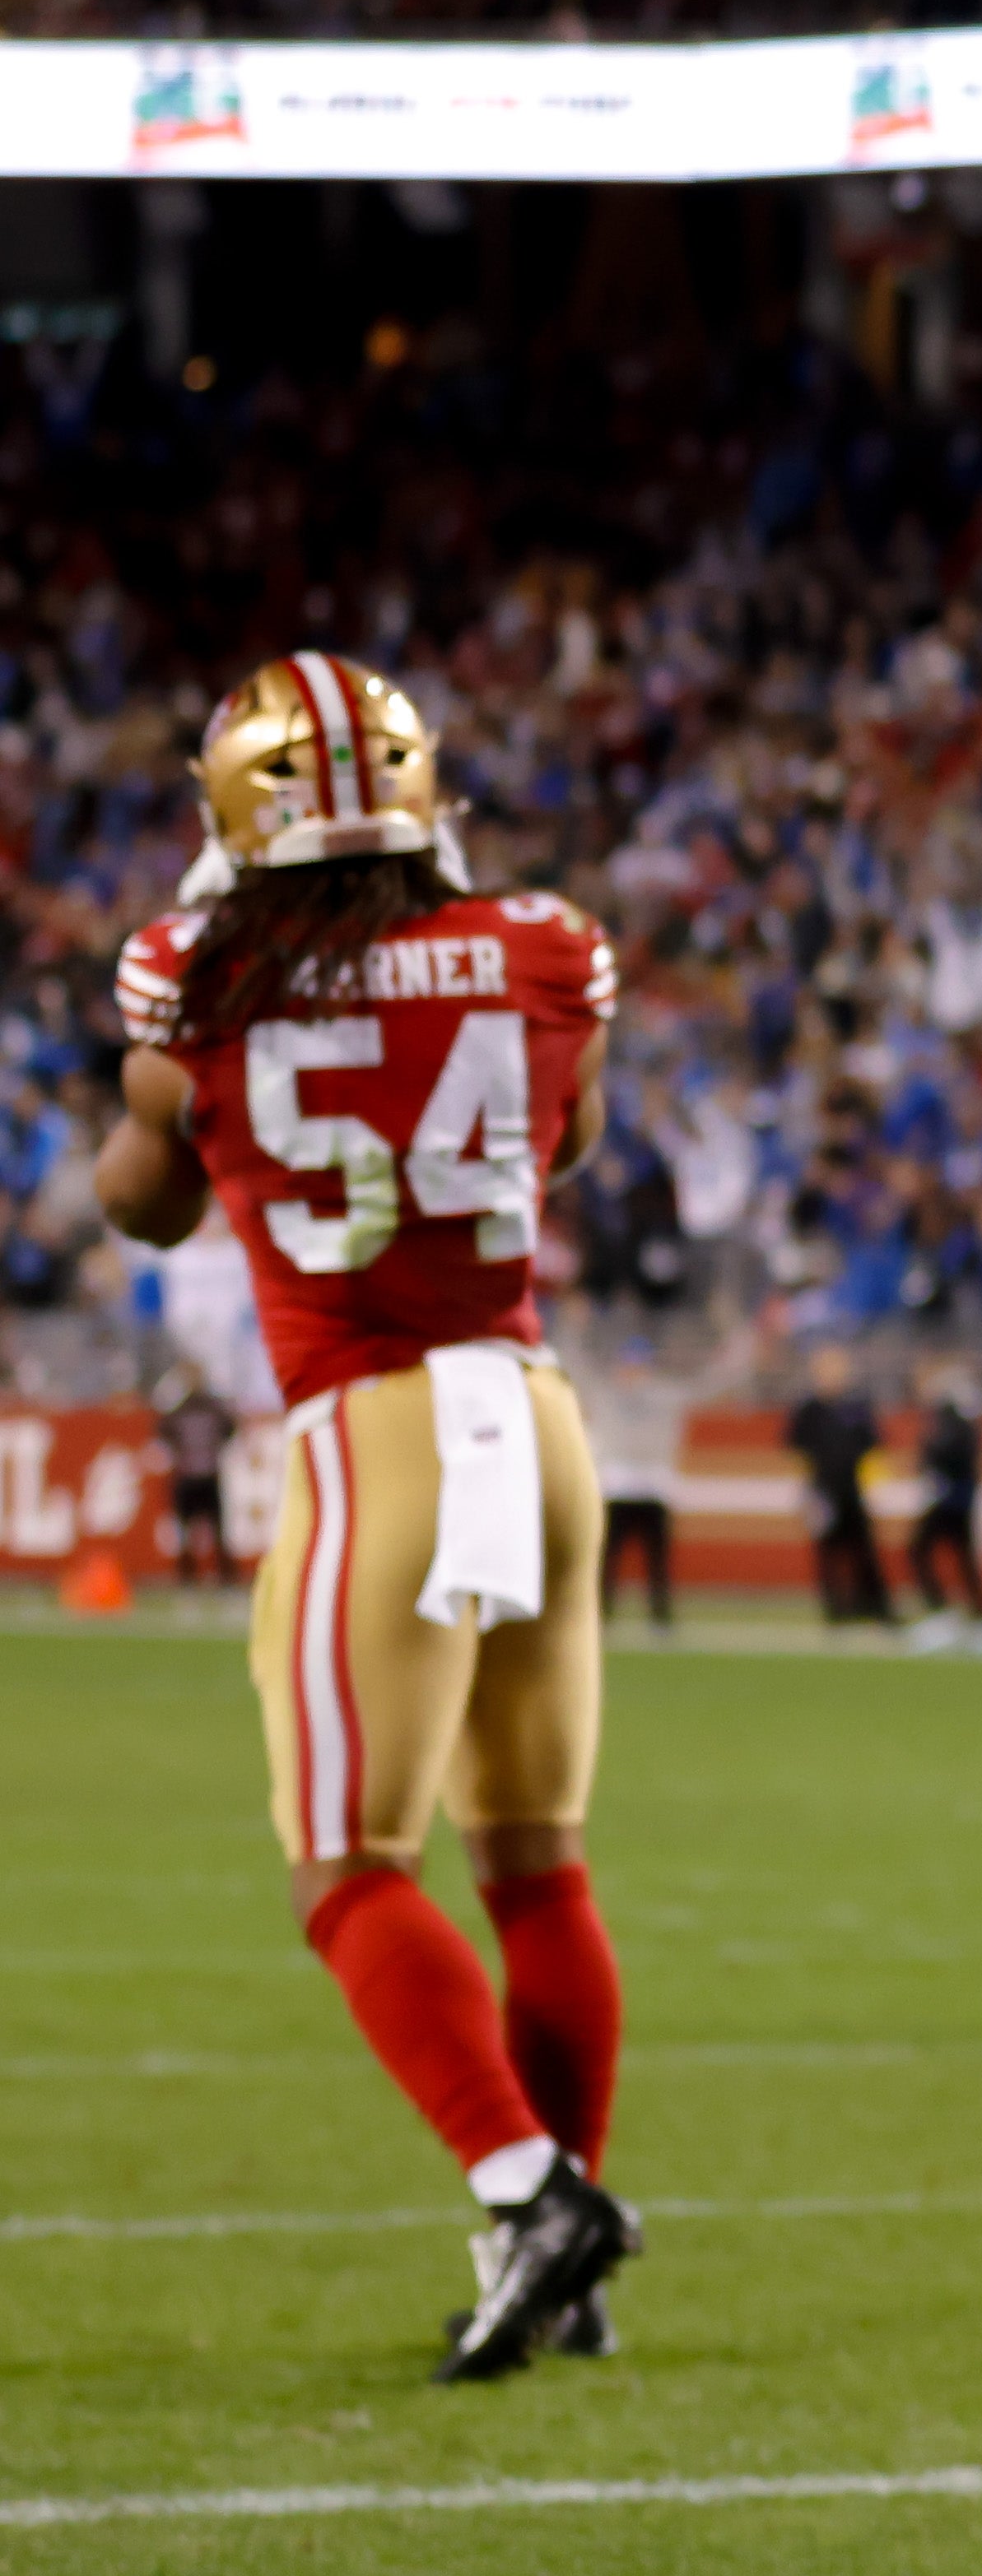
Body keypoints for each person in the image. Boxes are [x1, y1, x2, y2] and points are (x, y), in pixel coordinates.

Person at [89, 650, 641, 2378]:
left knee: (349, 1871)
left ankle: (526, 2187)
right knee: (536, 1864)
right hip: (537, 1419)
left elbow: (148, 1206)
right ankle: (566, 2244)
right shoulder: (549, 947)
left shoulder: (196, 973)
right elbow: (560, 1148)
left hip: (373, 1434)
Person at [579, 1328, 685, 1631]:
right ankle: (601, 1615)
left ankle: (660, 1618)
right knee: (608, 1559)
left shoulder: (664, 1398)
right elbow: (577, 1365)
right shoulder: (606, 1395)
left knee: (657, 1561)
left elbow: (712, 1383)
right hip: (617, 1489)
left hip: (655, 1489)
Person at [784, 1344, 891, 1630]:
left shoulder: (856, 1407)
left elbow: (873, 1447)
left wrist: (876, 1488)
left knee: (863, 1551)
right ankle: (836, 1612)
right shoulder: (809, 1410)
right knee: (828, 1554)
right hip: (823, 1490)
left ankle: (876, 1609)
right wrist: (805, 1494)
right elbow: (797, 1451)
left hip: (853, 1489)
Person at [905, 1374, 982, 1644]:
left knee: (925, 1550)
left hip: (951, 1499)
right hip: (957, 1497)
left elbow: (941, 1453)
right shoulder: (958, 1423)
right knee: (961, 1556)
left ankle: (951, 1609)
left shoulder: (952, 1422)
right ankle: (975, 1610)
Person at [150, 1362, 235, 1589]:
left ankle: (224, 1581)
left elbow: (229, 1428)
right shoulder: (184, 1408)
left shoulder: (208, 1407)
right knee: (185, 1535)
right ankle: (187, 1582)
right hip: (189, 1476)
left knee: (217, 1533)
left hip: (206, 1475)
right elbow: (162, 1429)